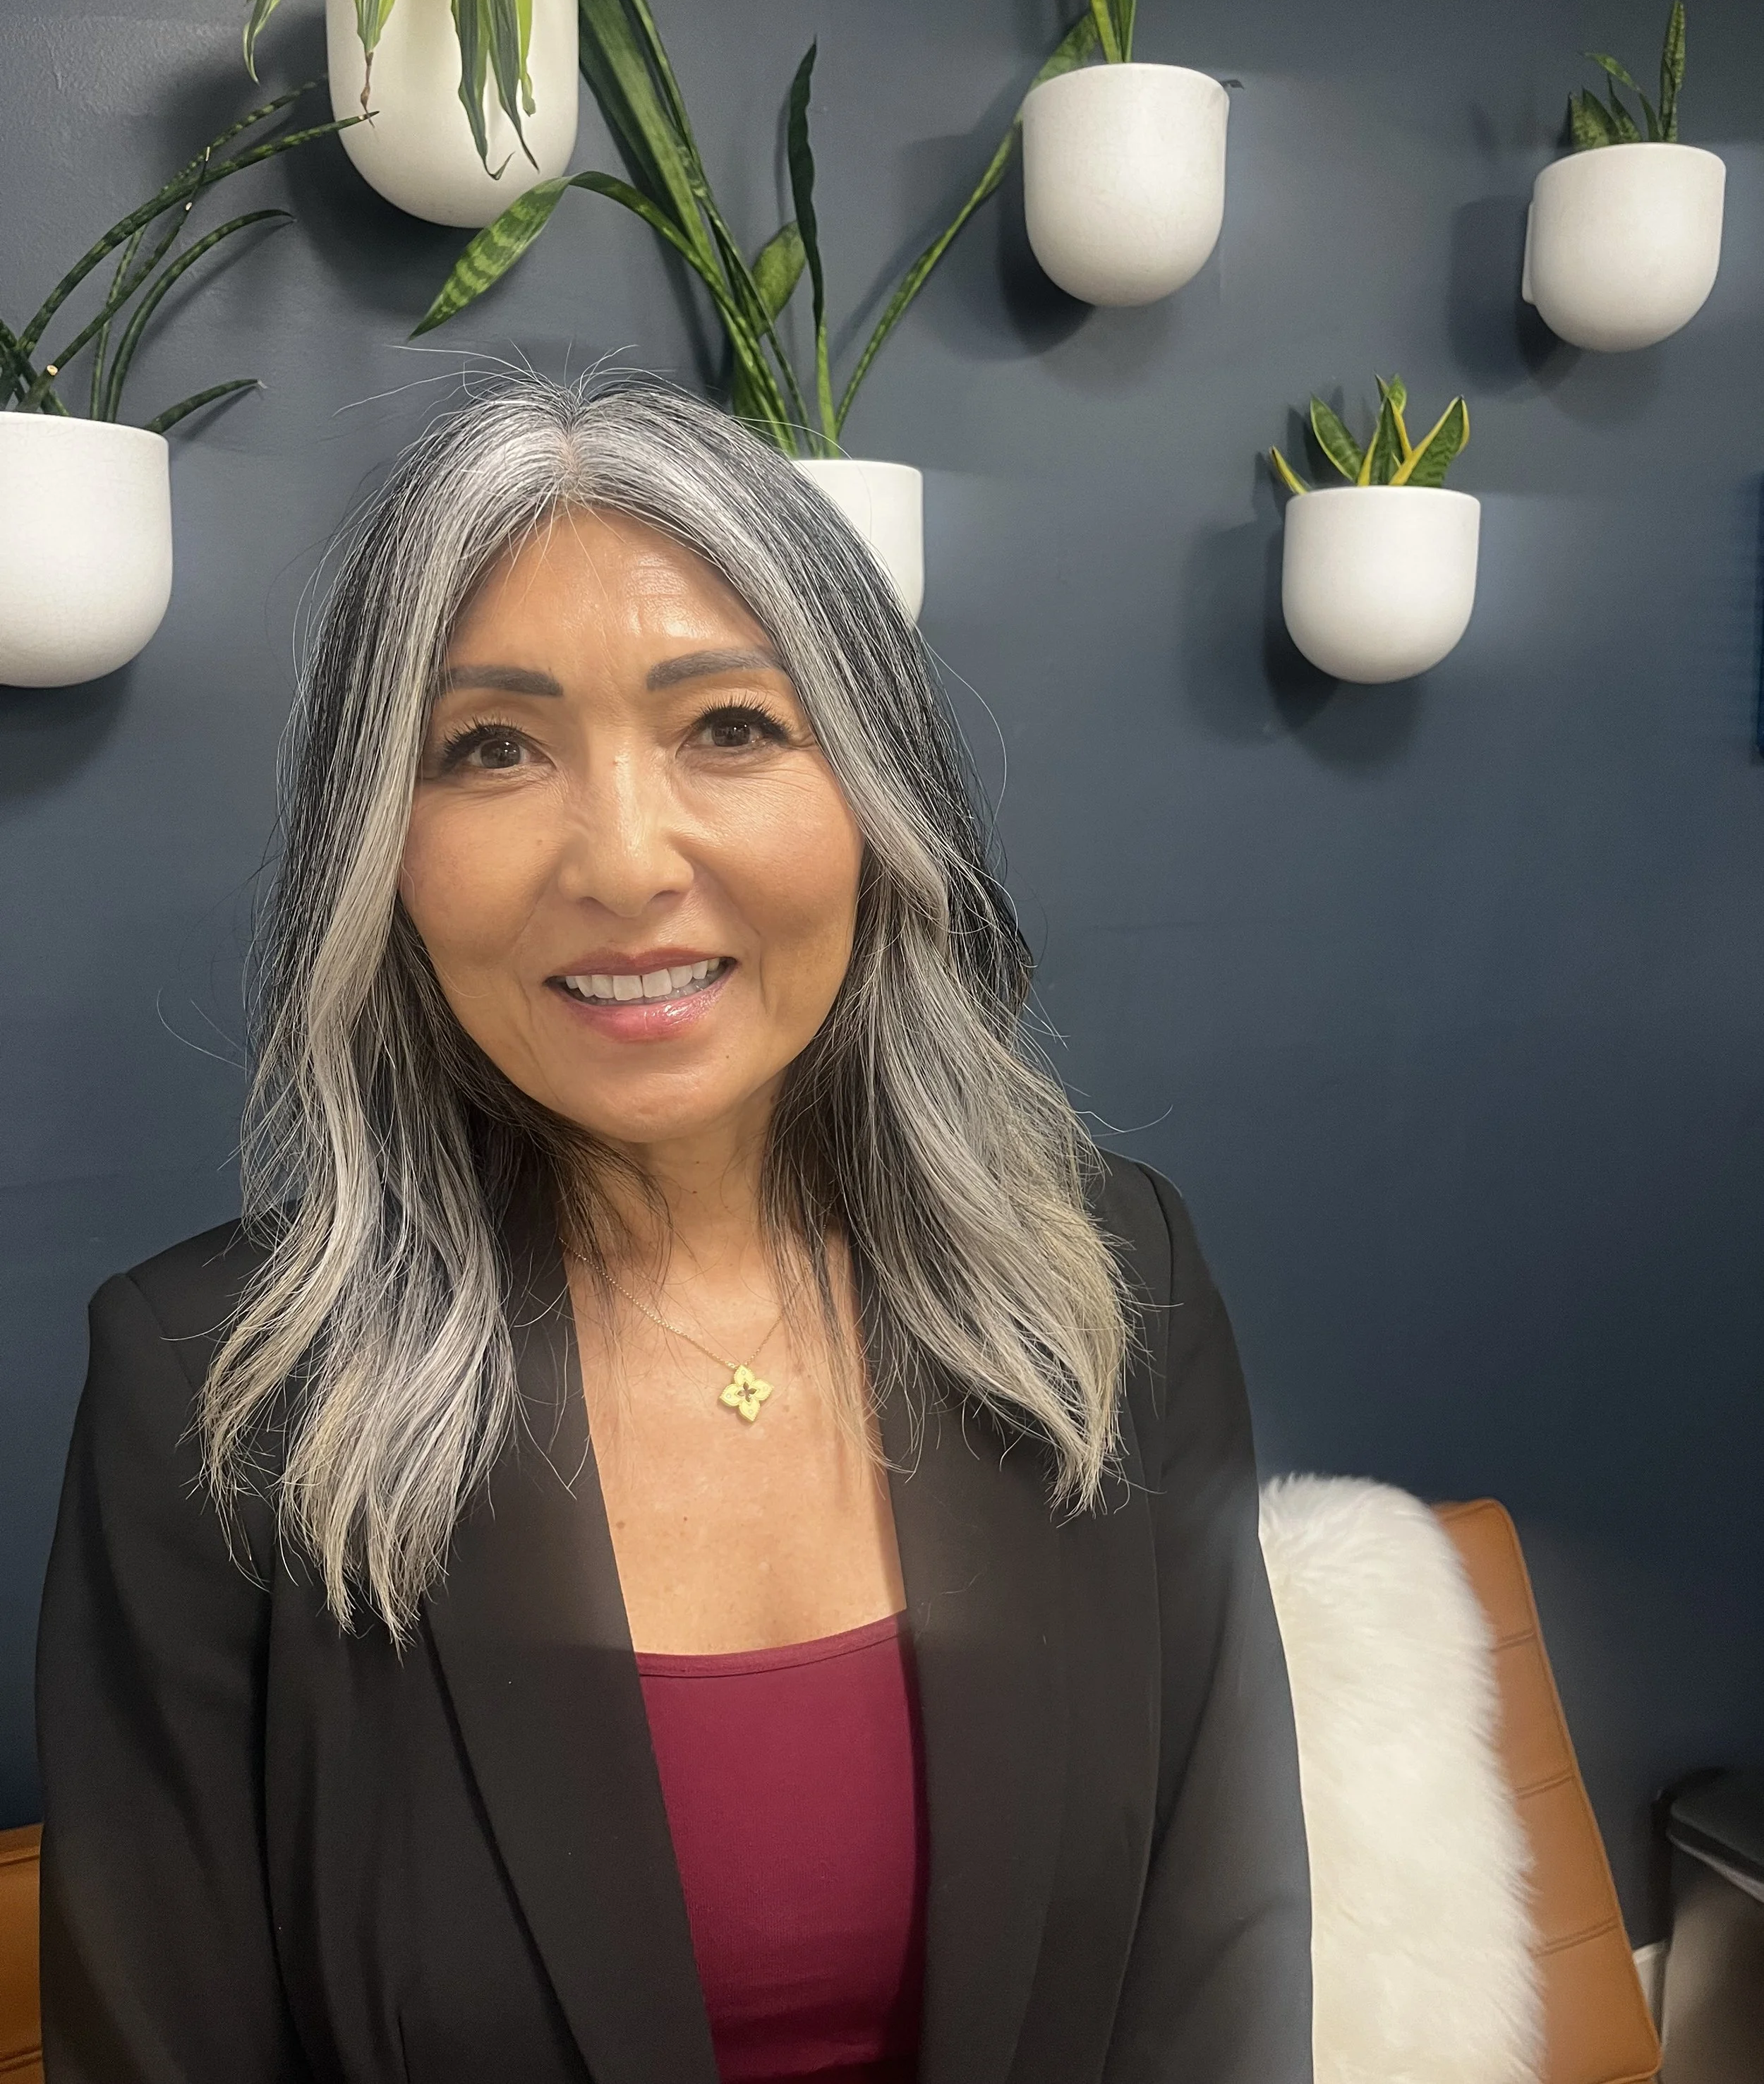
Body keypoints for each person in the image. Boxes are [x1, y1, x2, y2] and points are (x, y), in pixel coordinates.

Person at [36, 378, 1311, 2084]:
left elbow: (1213, 1976)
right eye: (491, 746)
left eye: (728, 725)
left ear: (872, 799)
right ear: (380, 852)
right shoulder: (213, 1400)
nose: (625, 863)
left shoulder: (1106, 1285)